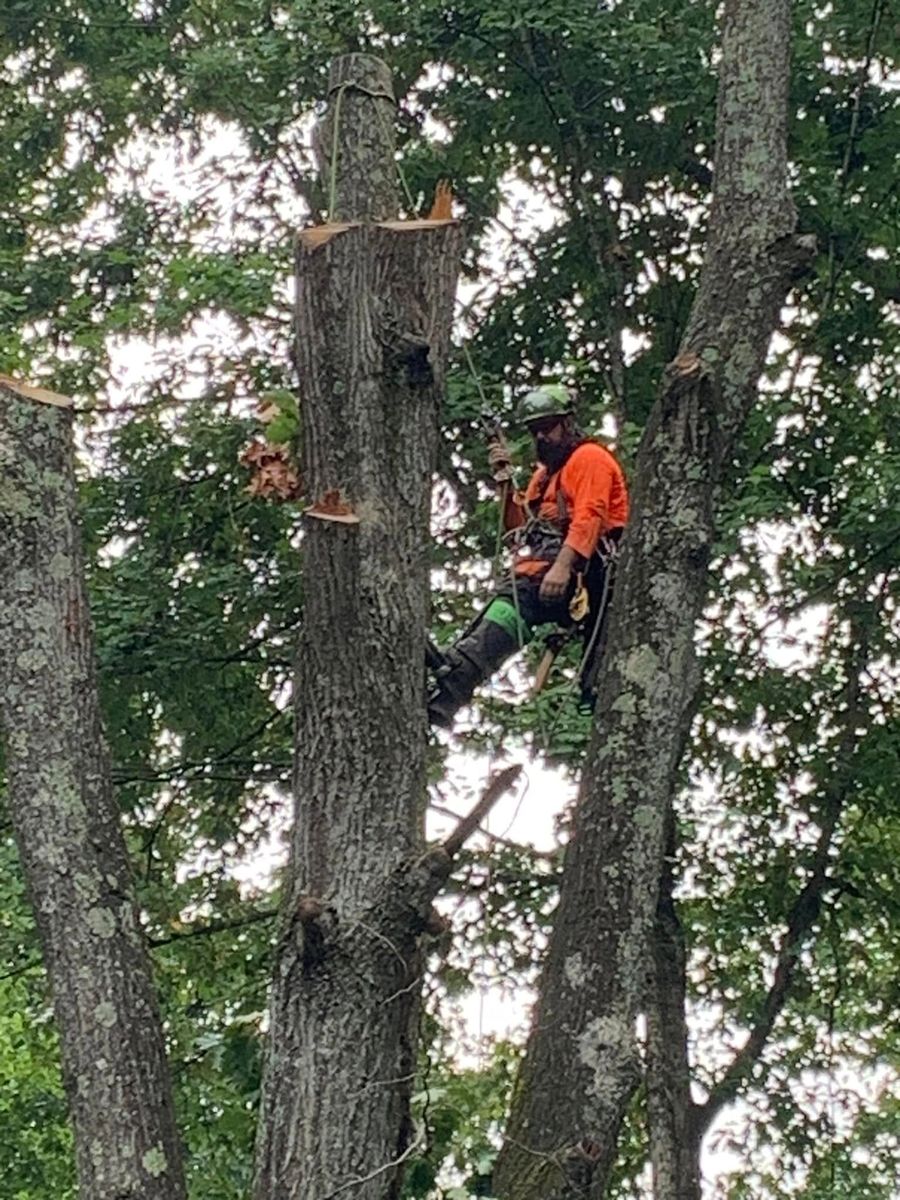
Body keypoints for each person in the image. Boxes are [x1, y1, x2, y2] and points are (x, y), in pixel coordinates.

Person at [428, 385, 629, 728]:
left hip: (589, 569)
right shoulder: (543, 476)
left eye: (547, 427)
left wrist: (563, 567)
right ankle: (450, 690)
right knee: (510, 601)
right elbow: (519, 530)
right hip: (547, 563)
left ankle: (459, 672)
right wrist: (506, 483)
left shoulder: (590, 458)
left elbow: (590, 516)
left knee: (520, 597)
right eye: (535, 431)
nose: (541, 437)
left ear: (567, 423)